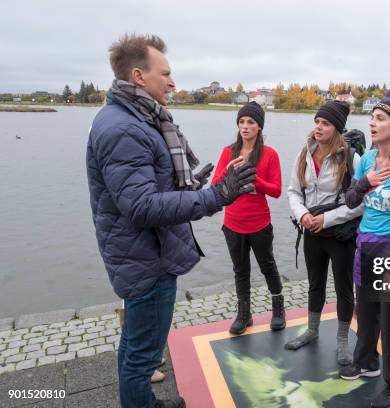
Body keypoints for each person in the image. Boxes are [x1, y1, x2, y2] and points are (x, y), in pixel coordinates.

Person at [86, 34, 255, 408]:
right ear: (139, 76)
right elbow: (141, 206)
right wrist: (214, 196)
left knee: (135, 344)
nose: (174, 82)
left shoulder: (133, 117)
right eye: (166, 73)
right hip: (146, 259)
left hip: (142, 252)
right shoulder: (124, 128)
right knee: (142, 355)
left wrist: (188, 184)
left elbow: (143, 188)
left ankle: (144, 400)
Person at [339, 94, 390, 408]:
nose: (372, 124)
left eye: (380, 119)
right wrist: (365, 182)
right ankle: (366, 361)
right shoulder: (367, 159)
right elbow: (349, 200)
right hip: (366, 246)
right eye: (371, 118)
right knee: (367, 311)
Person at [285, 100, 363, 366]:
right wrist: (303, 215)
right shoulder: (304, 153)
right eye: (317, 122)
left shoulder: (352, 158)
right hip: (311, 234)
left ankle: (343, 342)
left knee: (343, 289)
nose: (319, 127)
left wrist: (326, 219)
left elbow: (361, 203)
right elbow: (294, 192)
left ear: (337, 128)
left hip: (340, 236)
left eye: (326, 123)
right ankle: (312, 330)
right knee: (315, 284)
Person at [211, 101, 285, 335]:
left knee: (268, 266)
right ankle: (244, 314)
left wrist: (256, 181)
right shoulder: (228, 152)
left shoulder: (270, 154)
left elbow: (276, 190)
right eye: (241, 122)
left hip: (259, 223)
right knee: (240, 270)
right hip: (232, 223)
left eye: (250, 122)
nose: (245, 126)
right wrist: (228, 170)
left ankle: (278, 309)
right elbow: (215, 185)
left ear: (259, 127)